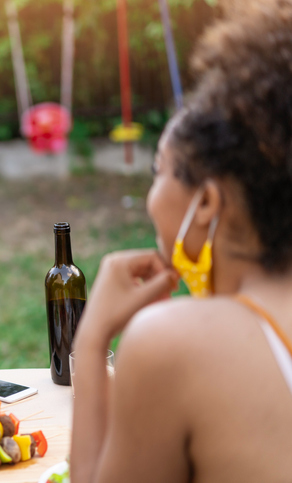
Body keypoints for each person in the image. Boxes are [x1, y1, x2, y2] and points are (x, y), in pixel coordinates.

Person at [70, 1, 292, 481]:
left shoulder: (171, 343)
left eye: (159, 172)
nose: (151, 196)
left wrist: (90, 341)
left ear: (207, 203)